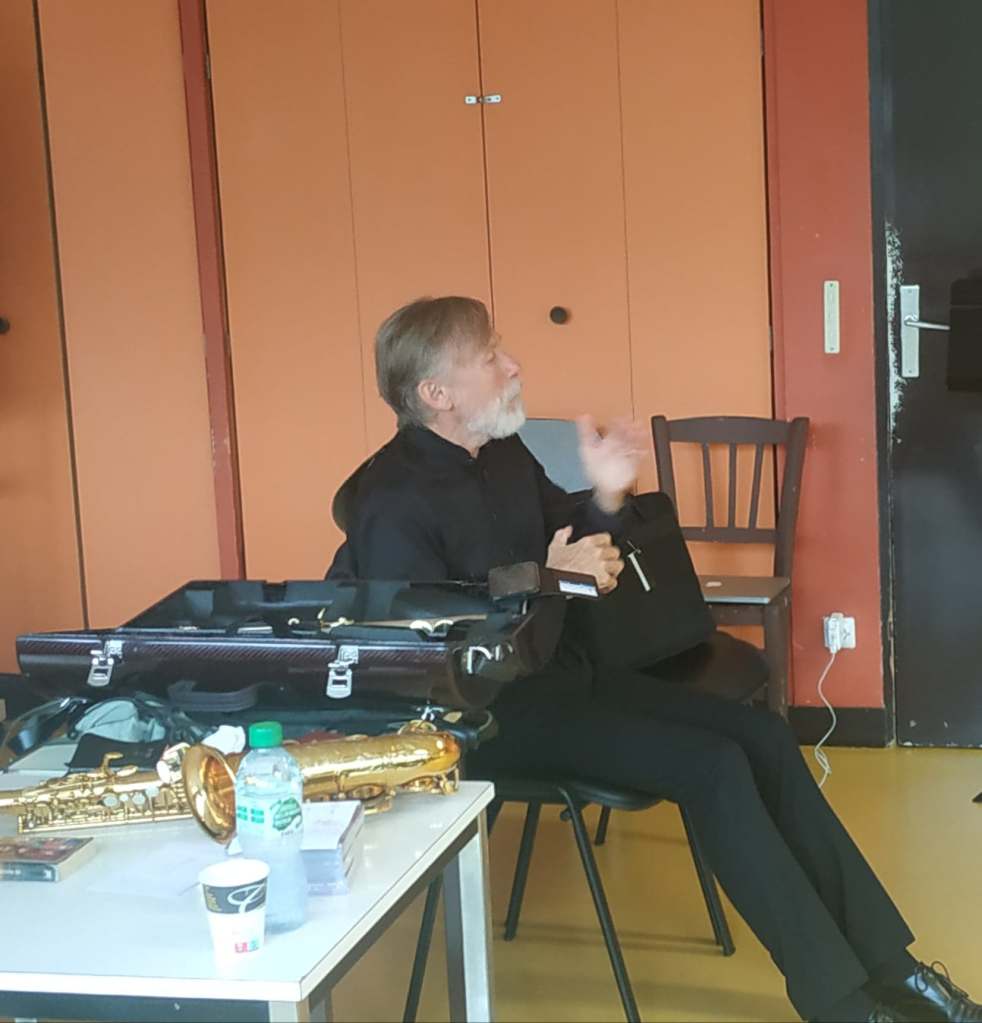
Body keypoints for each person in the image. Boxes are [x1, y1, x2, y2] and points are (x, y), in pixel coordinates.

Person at [327, 296, 981, 1023]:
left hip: (565, 675)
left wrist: (607, 496)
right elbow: (420, 639)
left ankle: (897, 971)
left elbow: (570, 537)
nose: (512, 365)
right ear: (437, 394)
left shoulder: (503, 454)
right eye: (489, 357)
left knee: (763, 735)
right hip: (485, 716)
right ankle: (843, 1004)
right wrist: (542, 578)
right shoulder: (387, 497)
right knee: (713, 765)